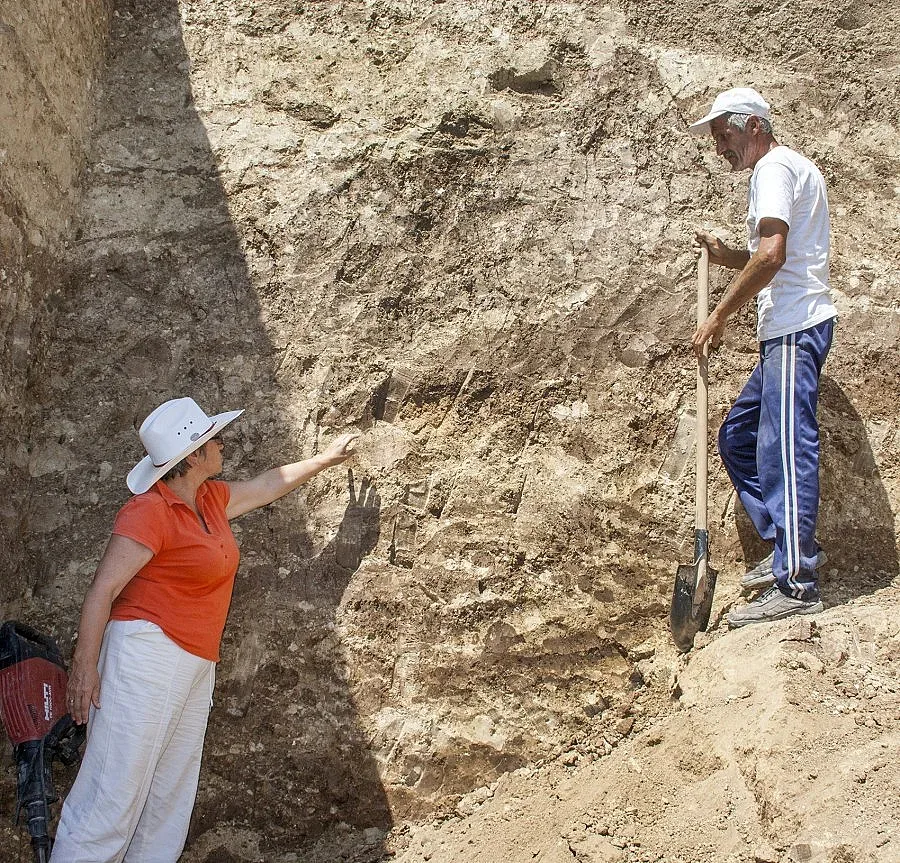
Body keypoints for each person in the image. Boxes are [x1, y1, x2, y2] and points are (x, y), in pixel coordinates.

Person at [50, 397, 359, 862]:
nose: (222, 443)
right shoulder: (149, 510)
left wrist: (325, 459)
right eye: (214, 438)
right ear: (193, 454)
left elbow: (265, 485)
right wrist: (84, 669)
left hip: (194, 662)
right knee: (111, 796)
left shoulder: (209, 500)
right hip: (144, 657)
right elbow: (102, 590)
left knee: (167, 801)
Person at [688, 87, 837, 627]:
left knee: (785, 448)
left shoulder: (772, 170)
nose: (719, 148)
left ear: (752, 125)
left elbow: (772, 256)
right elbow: (768, 254)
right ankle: (785, 548)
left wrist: (719, 316)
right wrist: (726, 255)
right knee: (739, 438)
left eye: (723, 135)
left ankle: (798, 583)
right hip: (785, 331)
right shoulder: (787, 168)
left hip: (796, 327)